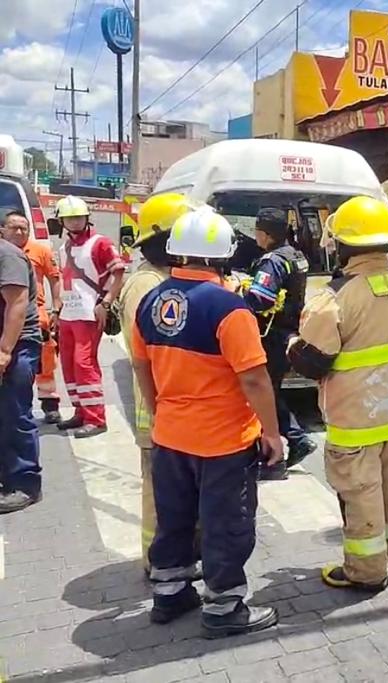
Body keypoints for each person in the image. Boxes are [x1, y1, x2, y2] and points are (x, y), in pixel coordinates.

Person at [131, 208, 282, 638]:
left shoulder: (150, 302)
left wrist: (161, 411)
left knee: (174, 517)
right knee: (225, 524)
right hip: (223, 442)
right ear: (223, 256)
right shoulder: (230, 308)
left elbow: (141, 366)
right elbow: (254, 379)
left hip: (170, 436)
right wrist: (272, 434)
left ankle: (170, 592)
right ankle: (224, 607)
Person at [288, 196, 388, 591]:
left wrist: (291, 342)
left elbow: (312, 363)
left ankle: (366, 572)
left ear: (345, 245)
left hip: (356, 422)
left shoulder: (334, 298)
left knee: (362, 496)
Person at [118, 193, 193, 569]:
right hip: (159, 412)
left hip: (171, 411)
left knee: (175, 492)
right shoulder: (148, 285)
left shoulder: (159, 279)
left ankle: (175, 554)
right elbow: (152, 354)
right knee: (160, 494)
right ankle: (157, 559)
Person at [242, 208, 316, 479]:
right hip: (289, 332)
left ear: (267, 234)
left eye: (258, 232)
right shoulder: (296, 255)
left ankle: (275, 460)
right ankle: (297, 439)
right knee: (271, 392)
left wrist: (239, 295)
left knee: (262, 394)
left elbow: (260, 299)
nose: (256, 237)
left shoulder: (272, 261)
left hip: (270, 335)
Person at [53, 195, 126, 438]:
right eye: (69, 218)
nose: (75, 222)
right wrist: (57, 311)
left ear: (87, 218)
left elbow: (118, 274)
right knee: (68, 365)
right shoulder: (63, 248)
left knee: (84, 364)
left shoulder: (100, 243)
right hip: (68, 314)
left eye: (79, 217)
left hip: (89, 313)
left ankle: (96, 418)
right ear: (62, 222)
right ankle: (80, 412)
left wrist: (106, 302)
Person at [2, 211, 62, 423]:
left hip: (35, 315)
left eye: (24, 228)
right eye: (14, 228)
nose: (19, 232)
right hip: (6, 315)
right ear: (2, 230)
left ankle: (50, 403)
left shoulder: (40, 250)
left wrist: (56, 306)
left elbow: (54, 277)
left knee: (45, 361)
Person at [0, 226, 42, 513]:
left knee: (14, 414)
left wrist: (4, 351)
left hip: (17, 345)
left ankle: (24, 484)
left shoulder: (7, 255)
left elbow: (16, 302)